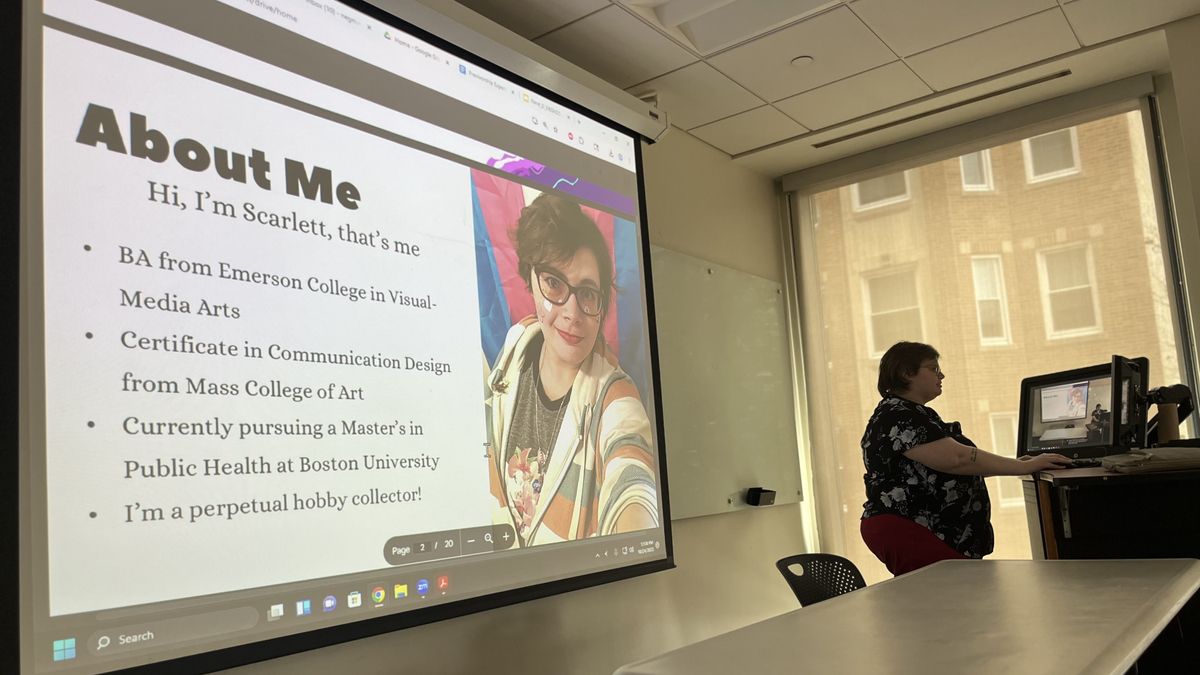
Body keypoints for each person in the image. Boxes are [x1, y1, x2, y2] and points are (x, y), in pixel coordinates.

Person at [485, 193, 658, 547]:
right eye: (554, 283)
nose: (572, 312)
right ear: (531, 279)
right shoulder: (517, 342)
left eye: (588, 293)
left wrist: (639, 536)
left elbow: (633, 477)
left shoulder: (616, 399)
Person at [860, 341, 1070, 576]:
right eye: (933, 368)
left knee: (955, 601)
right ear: (906, 373)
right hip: (909, 526)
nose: (942, 375)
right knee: (952, 602)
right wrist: (1027, 466)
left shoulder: (911, 413)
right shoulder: (898, 415)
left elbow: (959, 465)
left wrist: (1020, 464)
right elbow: (958, 459)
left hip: (918, 526)